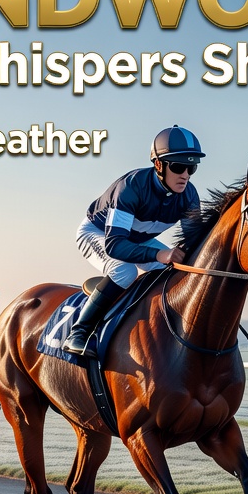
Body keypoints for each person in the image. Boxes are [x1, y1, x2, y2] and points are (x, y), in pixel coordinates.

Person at [63, 125, 204, 356]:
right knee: (124, 271)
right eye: (178, 167)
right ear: (158, 165)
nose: (185, 175)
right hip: (99, 233)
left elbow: (195, 244)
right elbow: (115, 245)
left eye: (192, 167)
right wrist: (159, 254)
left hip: (137, 239)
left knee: (170, 272)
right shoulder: (131, 187)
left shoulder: (189, 195)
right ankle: (79, 332)